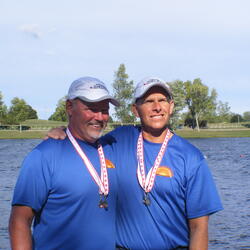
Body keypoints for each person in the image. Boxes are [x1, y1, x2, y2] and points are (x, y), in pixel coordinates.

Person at [47, 77, 223, 250]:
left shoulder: (191, 157)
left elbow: (199, 227)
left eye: (162, 100)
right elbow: (84, 141)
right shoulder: (118, 140)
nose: (157, 107)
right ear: (135, 110)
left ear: (171, 107)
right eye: (148, 101)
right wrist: (63, 131)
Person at [8, 76, 120, 250]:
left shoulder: (113, 147)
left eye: (104, 110)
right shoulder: (43, 156)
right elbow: (20, 220)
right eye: (91, 109)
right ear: (69, 107)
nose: (99, 117)